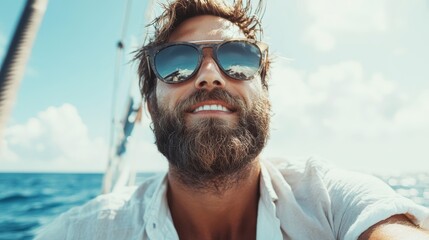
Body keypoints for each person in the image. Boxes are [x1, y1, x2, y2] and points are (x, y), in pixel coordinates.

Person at [36, 0, 429, 239]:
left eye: (238, 58)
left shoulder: (331, 203)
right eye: (177, 64)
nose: (210, 74)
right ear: (151, 107)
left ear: (265, 96)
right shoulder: (84, 231)